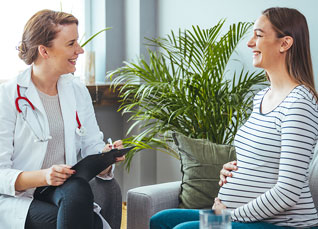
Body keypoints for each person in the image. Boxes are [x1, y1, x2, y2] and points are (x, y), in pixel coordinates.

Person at [150, 7, 318, 228]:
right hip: (244, 214)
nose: (250, 43)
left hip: (283, 223)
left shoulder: (300, 102)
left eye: (258, 35)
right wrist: (235, 169)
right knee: (161, 220)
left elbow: (288, 192)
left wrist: (229, 216)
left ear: (284, 43)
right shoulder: (261, 97)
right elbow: (264, 159)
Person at [0, 9, 124, 229]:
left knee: (78, 189)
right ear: (44, 51)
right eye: (71, 43)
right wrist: (45, 176)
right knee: (92, 223)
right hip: (19, 196)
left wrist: (105, 159)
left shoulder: (75, 89)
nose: (80, 50)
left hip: (62, 187)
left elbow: (91, 147)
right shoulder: (8, 96)